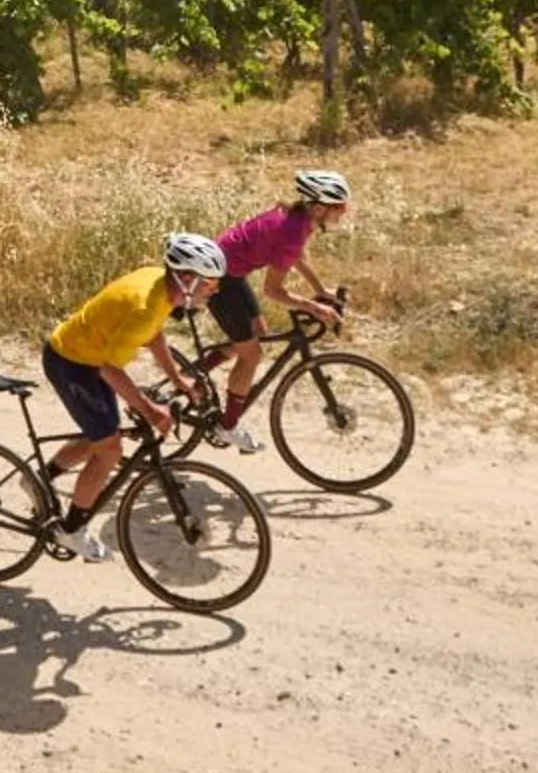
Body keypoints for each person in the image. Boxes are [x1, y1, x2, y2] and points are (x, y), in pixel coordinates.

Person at [36, 233, 228, 563]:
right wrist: (152, 411)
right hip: (72, 363)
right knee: (110, 450)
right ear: (185, 277)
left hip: (89, 360)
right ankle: (70, 531)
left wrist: (176, 378)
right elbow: (110, 371)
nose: (214, 291)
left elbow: (154, 337)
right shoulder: (145, 305)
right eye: (209, 284)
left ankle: (41, 480)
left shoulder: (161, 287)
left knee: (102, 436)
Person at [201, 171, 352, 453]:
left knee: (258, 334)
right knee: (252, 354)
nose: (343, 213)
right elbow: (273, 291)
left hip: (230, 273)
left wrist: (320, 290)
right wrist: (314, 306)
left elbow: (298, 258)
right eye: (339, 207)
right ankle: (228, 425)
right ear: (319, 207)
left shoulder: (300, 221)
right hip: (217, 279)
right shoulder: (293, 230)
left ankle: (195, 374)